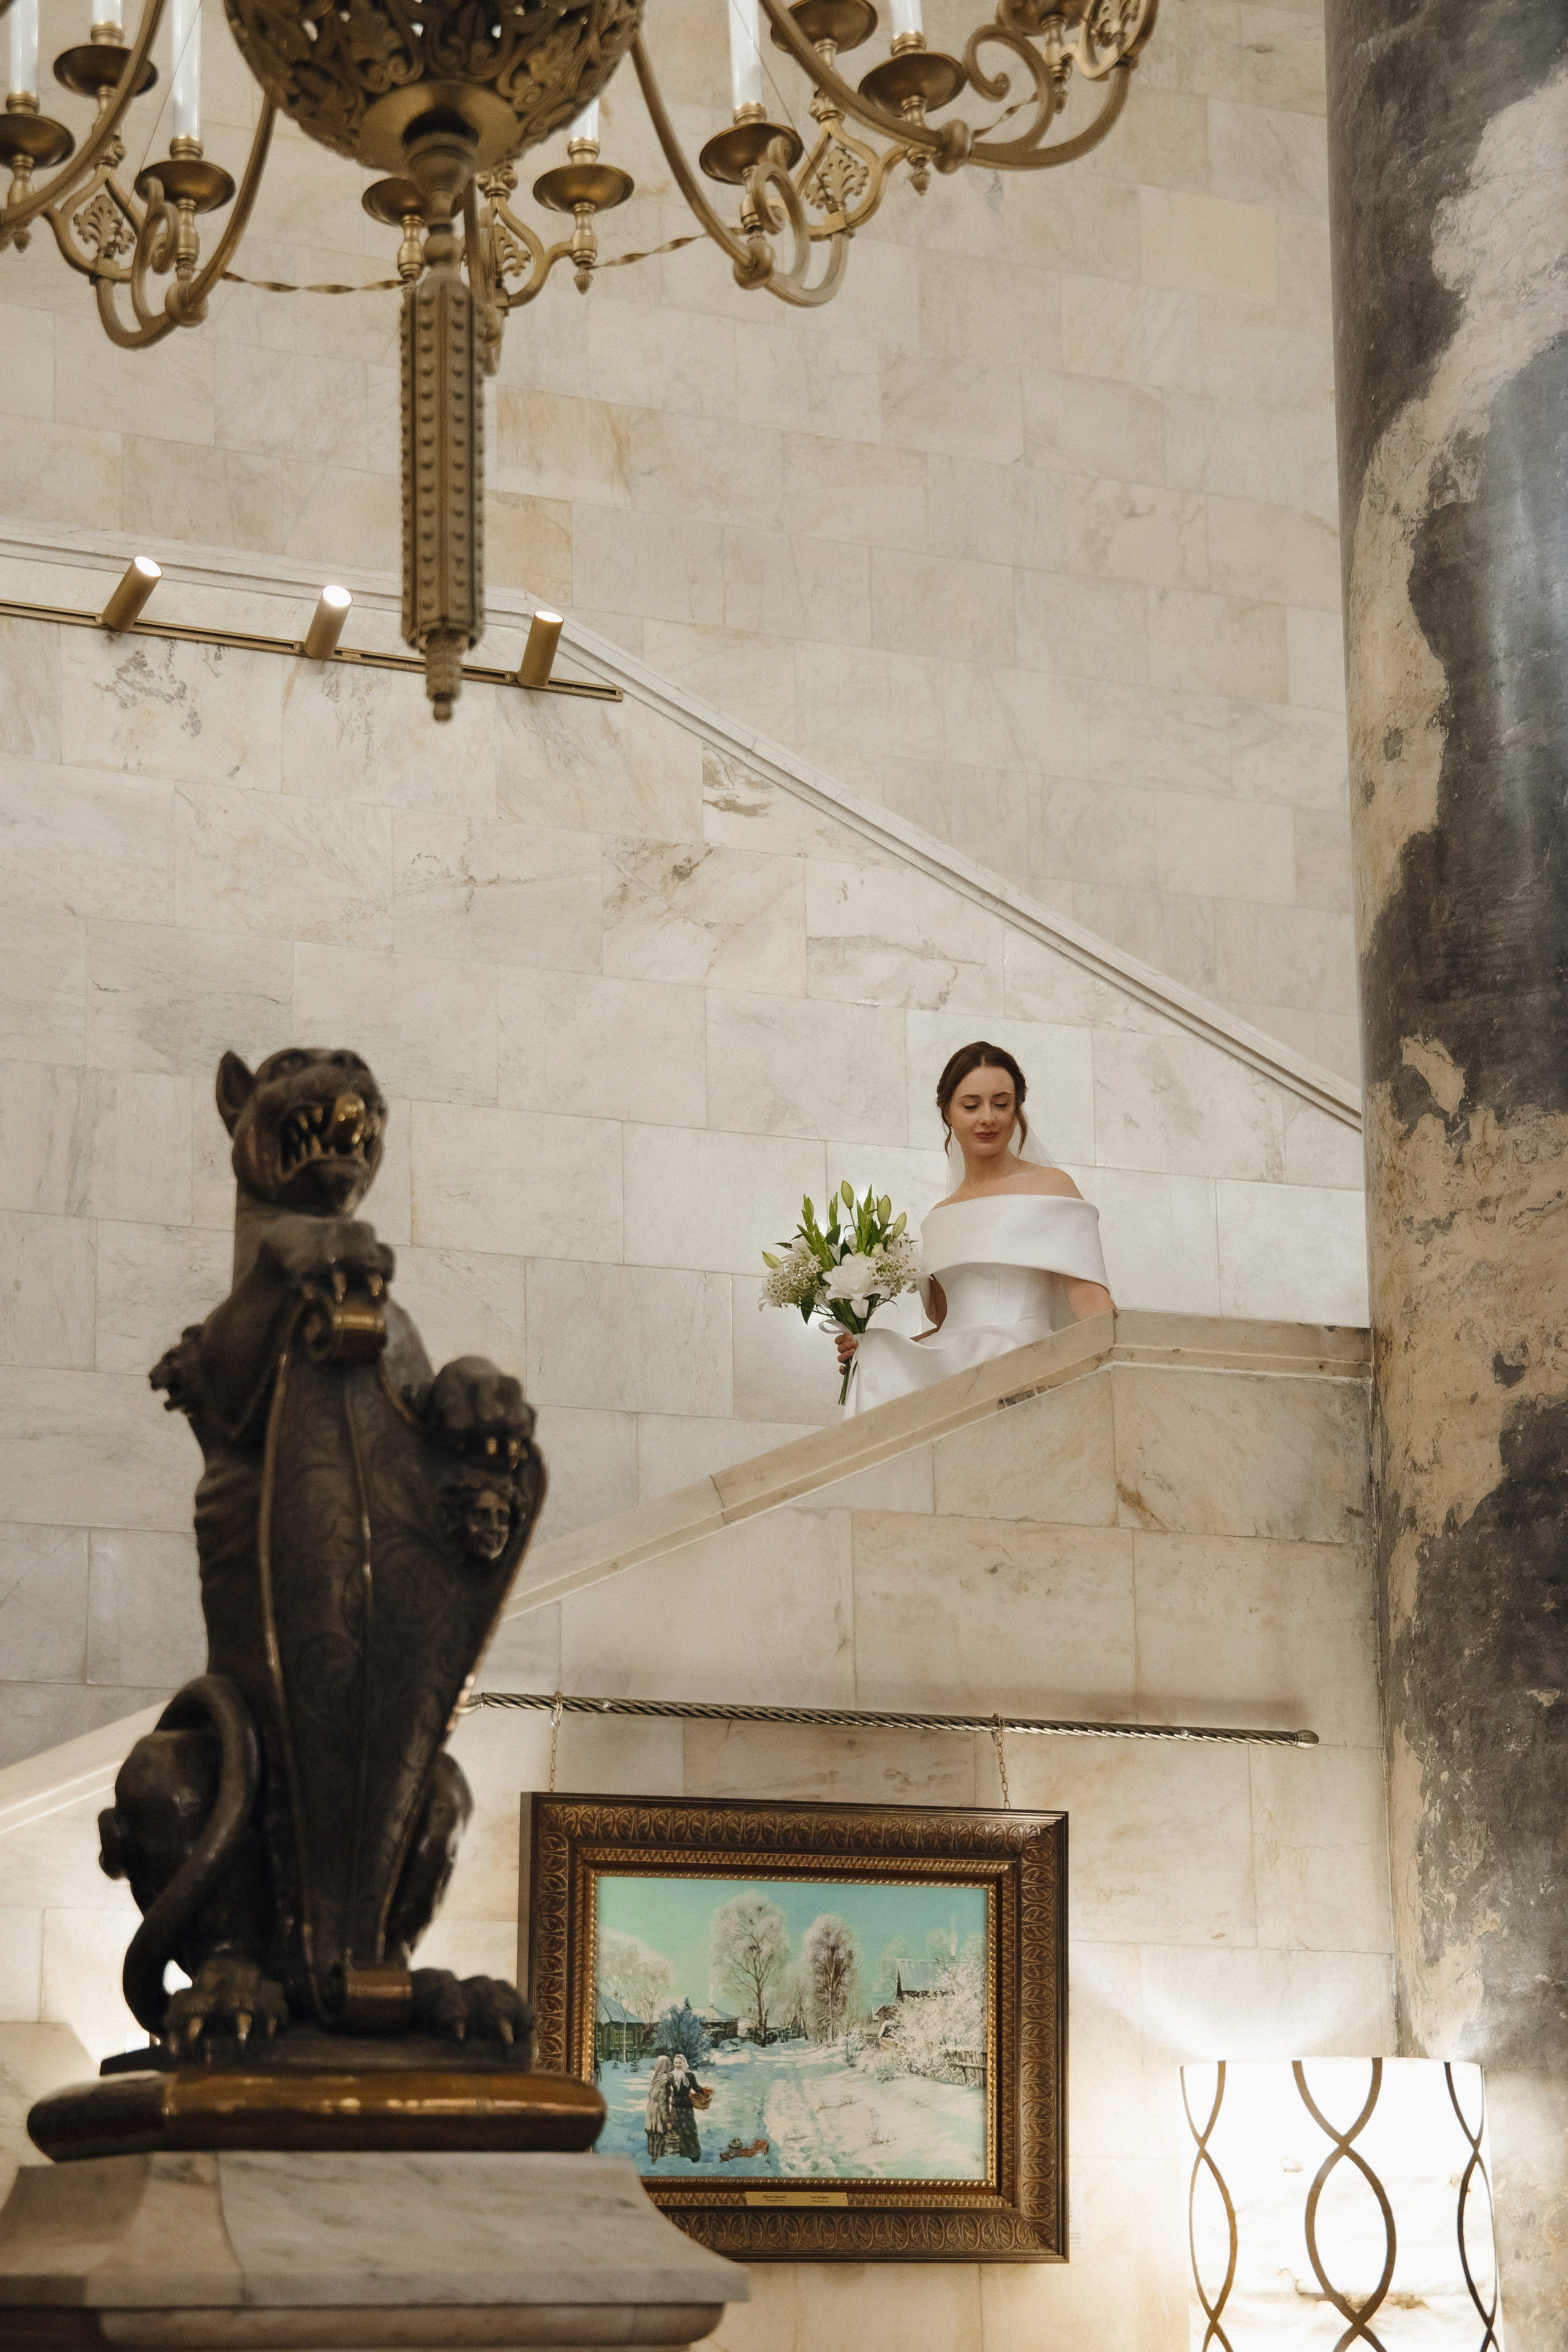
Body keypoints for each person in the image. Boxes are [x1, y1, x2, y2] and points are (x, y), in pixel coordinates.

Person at [840, 1041, 1114, 1415]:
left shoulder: (1051, 1187)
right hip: (960, 1366)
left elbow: (1089, 1302)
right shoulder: (939, 1216)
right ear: (948, 1113)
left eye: (1001, 1104)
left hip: (1021, 1357)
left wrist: (1127, 1372)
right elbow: (953, 1328)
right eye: (971, 1105)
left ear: (1017, 1112)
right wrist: (873, 1350)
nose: (988, 1118)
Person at [668, 2050, 707, 2162]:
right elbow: (667, 2089)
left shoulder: (690, 2075)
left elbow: (696, 2087)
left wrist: (704, 2092)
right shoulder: (672, 2076)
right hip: (676, 2107)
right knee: (677, 2129)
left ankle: (694, 2154)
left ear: (684, 2063)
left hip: (687, 2107)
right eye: (676, 2063)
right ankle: (681, 2154)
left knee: (689, 2130)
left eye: (680, 2063)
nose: (678, 2065)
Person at [644, 2054, 677, 2162]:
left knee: (652, 2135)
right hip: (659, 2112)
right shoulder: (665, 2081)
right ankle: (657, 2162)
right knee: (659, 2135)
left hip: (651, 2112)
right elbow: (663, 2103)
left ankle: (653, 2159)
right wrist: (667, 2120)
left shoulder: (655, 2078)